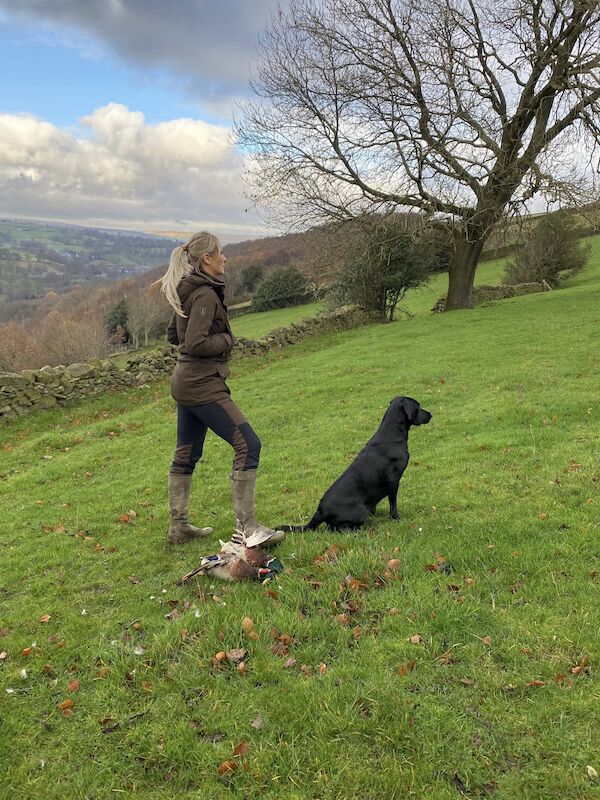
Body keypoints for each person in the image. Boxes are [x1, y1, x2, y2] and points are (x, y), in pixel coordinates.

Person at [158, 231, 283, 546]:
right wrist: (227, 340)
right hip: (202, 383)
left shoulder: (187, 290)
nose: (225, 258)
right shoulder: (204, 295)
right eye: (221, 253)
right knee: (248, 445)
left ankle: (179, 527)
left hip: (185, 381)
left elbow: (174, 336)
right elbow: (194, 342)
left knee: (187, 453)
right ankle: (248, 529)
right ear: (207, 259)